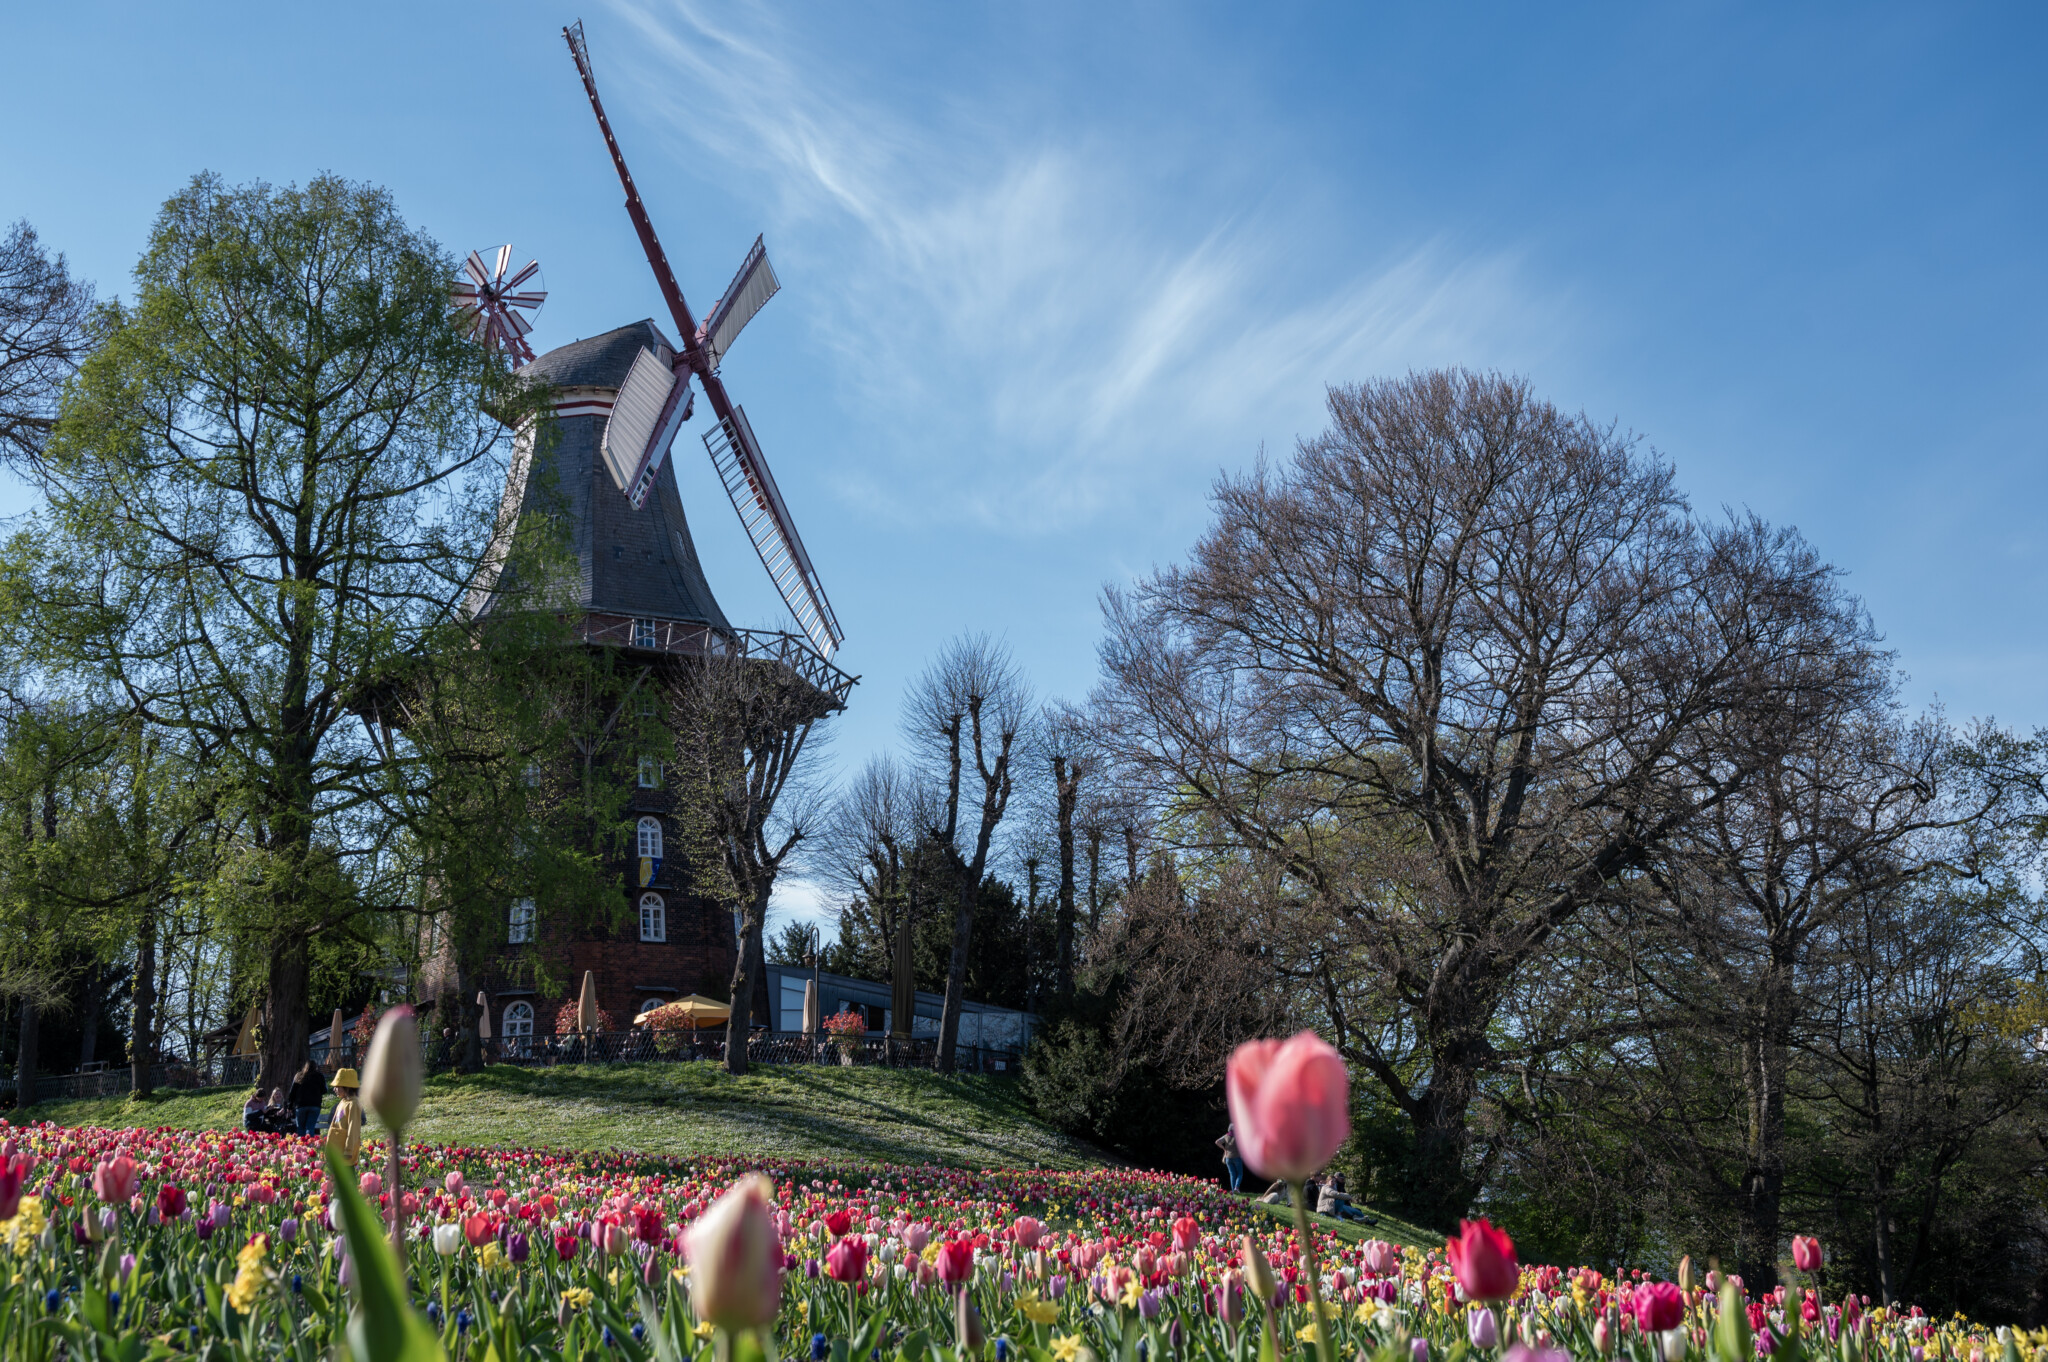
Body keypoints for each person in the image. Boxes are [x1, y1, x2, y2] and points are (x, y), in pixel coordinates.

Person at [326, 1067, 363, 1167]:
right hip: (338, 1149)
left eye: (337, 1086)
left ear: (347, 1087)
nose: (334, 1089)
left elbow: (353, 1128)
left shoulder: (353, 1104)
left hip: (345, 1153)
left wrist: (349, 1150)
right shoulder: (343, 1102)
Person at [288, 1061, 327, 1136]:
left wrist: (290, 1105)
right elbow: (324, 1090)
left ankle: (301, 1145)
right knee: (310, 1127)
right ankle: (310, 1144)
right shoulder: (319, 1076)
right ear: (315, 1067)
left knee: (301, 1128)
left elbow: (292, 1092)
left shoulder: (299, 1076)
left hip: (301, 1105)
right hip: (315, 1105)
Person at [1216, 1123, 1246, 1193]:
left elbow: (1217, 1142)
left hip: (1228, 1158)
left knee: (1232, 1174)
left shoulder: (1226, 1136)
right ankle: (1236, 1187)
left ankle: (1233, 1191)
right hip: (1237, 1157)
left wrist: (1224, 1149)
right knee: (1240, 1174)